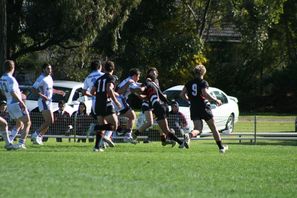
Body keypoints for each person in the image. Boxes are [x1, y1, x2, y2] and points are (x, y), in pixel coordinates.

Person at [180, 64, 228, 153]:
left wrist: (190, 100)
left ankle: (189, 135)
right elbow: (205, 94)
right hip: (203, 107)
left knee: (197, 129)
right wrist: (216, 100)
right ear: (203, 72)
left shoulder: (189, 83)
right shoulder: (203, 82)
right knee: (213, 128)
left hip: (193, 107)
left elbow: (182, 94)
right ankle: (221, 147)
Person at [132, 72, 185, 148]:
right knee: (164, 129)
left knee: (165, 129)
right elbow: (162, 97)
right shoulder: (155, 85)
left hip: (158, 107)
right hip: (163, 107)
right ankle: (171, 141)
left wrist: (135, 90)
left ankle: (180, 142)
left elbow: (141, 89)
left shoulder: (147, 83)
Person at [91, 61, 121, 152]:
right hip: (106, 104)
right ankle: (99, 130)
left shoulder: (99, 79)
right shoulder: (111, 77)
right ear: (113, 68)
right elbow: (109, 89)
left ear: (104, 68)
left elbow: (92, 92)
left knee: (102, 126)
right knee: (115, 125)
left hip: (98, 104)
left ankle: (96, 147)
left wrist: (100, 95)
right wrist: (116, 102)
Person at [0, 60, 31, 149]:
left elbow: (3, 91)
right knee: (27, 122)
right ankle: (21, 143)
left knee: (19, 123)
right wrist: (21, 102)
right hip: (16, 103)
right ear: (13, 68)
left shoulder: (2, 78)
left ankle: (10, 140)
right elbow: (13, 92)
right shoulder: (11, 79)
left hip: (9, 103)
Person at [82, 60, 113, 146]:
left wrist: (93, 95)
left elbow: (84, 92)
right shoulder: (103, 75)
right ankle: (105, 137)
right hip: (103, 100)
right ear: (100, 67)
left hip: (94, 103)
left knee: (102, 122)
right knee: (112, 122)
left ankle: (101, 142)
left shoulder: (88, 77)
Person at [114, 68, 141, 143]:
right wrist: (144, 89)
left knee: (115, 117)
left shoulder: (128, 79)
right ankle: (127, 135)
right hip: (120, 99)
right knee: (132, 116)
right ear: (135, 75)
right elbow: (136, 88)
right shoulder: (130, 81)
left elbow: (137, 84)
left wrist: (144, 84)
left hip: (116, 99)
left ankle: (118, 131)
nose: (139, 78)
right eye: (138, 76)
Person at [31, 63, 54, 145]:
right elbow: (33, 89)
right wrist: (42, 96)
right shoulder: (41, 78)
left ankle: (39, 137)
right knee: (49, 120)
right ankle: (36, 134)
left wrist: (59, 92)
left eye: (50, 68)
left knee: (50, 121)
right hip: (43, 102)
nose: (50, 70)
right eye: (48, 68)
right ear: (44, 69)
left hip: (49, 101)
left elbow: (50, 89)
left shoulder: (50, 78)